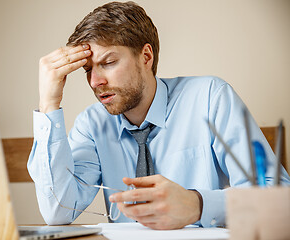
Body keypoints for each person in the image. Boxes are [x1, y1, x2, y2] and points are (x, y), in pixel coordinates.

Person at [27, 1, 290, 230]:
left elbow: (279, 200)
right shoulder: (92, 124)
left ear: (146, 56)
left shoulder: (210, 97)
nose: (95, 81)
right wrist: (49, 103)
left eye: (108, 63)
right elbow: (57, 211)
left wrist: (198, 204)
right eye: (87, 69)